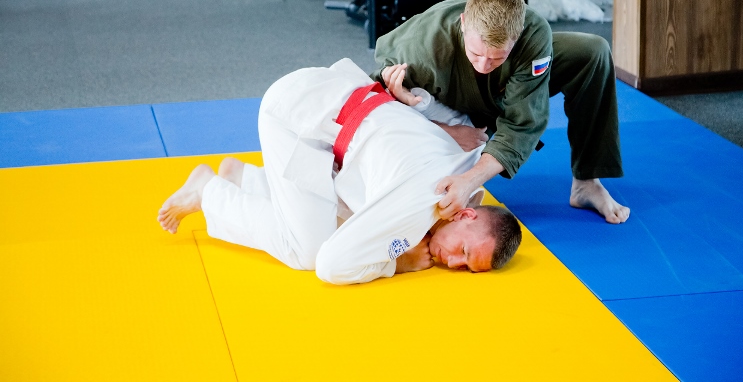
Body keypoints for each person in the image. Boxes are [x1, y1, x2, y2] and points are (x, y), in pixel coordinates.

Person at [157, 58, 522, 285]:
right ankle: (209, 192)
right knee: (309, 251)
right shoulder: (419, 206)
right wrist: (396, 262)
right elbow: (332, 266)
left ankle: (247, 180)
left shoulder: (469, 169)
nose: (453, 261)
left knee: (358, 212)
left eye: (464, 266)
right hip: (295, 118)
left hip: (331, 95)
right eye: (463, 250)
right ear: (468, 215)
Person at [372, 0, 630, 225]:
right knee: (397, 107)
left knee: (592, 52)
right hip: (452, 102)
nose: (484, 65)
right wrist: (446, 131)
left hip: (507, 88)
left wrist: (469, 181)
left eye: (496, 57)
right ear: (463, 23)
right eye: (476, 53)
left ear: (517, 35)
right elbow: (371, 104)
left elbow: (523, 123)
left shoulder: (533, 32)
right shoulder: (422, 46)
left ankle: (587, 182)